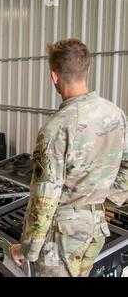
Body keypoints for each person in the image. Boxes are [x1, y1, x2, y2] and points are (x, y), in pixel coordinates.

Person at [10, 38, 128, 277]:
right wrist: (106, 200)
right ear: (86, 70)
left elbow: (45, 198)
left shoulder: (56, 128)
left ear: (54, 76)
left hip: (61, 236)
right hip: (95, 228)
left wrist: (28, 249)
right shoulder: (116, 115)